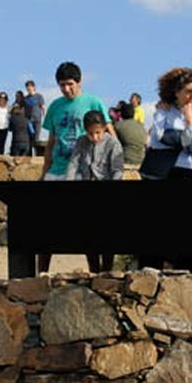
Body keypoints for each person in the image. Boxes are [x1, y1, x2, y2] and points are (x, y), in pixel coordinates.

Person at [65, 110, 124, 273]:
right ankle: (93, 269)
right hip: (86, 192)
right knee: (88, 234)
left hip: (106, 193)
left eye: (98, 133)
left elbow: (117, 170)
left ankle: (107, 270)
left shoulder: (113, 144)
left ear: (104, 129)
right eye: (91, 133)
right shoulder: (81, 142)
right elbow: (73, 164)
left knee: (106, 235)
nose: (95, 137)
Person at [39, 62, 110, 183]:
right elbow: (51, 142)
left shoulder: (94, 103)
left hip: (83, 171)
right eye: (62, 85)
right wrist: (45, 172)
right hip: (56, 172)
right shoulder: (55, 106)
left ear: (79, 81)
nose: (66, 89)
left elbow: (110, 135)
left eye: (70, 84)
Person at [140, 68, 192, 181]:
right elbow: (156, 142)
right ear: (176, 92)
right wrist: (185, 141)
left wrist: (189, 122)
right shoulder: (164, 109)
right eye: (188, 91)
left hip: (187, 169)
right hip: (160, 169)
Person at [112, 99, 147, 169]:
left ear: (121, 113)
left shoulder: (118, 125)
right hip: (141, 161)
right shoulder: (141, 126)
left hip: (125, 161)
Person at [24, 81, 46, 153]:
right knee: (29, 139)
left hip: (37, 120)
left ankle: (37, 154)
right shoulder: (26, 98)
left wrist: (45, 116)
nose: (28, 89)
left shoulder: (39, 96)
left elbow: (43, 107)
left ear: (33, 87)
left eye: (30, 87)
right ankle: (29, 155)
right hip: (28, 120)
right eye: (27, 87)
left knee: (36, 138)